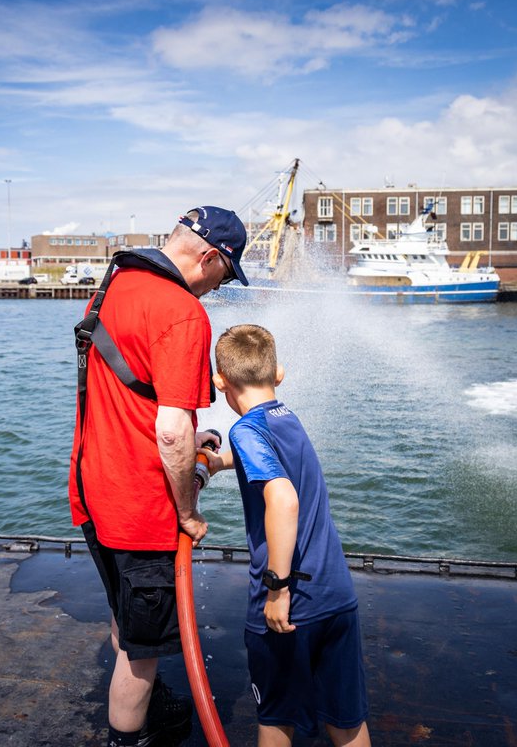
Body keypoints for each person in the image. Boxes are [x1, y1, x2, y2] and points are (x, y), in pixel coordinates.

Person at [69, 206, 250, 747]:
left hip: (92, 490)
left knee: (125, 616)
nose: (219, 289)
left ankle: (148, 707)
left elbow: (133, 398)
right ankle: (127, 738)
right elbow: (171, 432)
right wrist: (189, 512)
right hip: (141, 509)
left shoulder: (114, 286)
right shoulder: (183, 312)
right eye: (224, 275)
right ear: (210, 258)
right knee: (142, 654)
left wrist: (194, 443)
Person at [208, 324, 372, 747]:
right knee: (346, 720)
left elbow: (283, 501)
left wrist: (277, 590)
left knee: (277, 718)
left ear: (219, 381)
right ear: (278, 374)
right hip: (337, 597)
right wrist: (217, 462)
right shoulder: (287, 417)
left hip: (291, 607)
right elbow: (267, 456)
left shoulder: (245, 430)